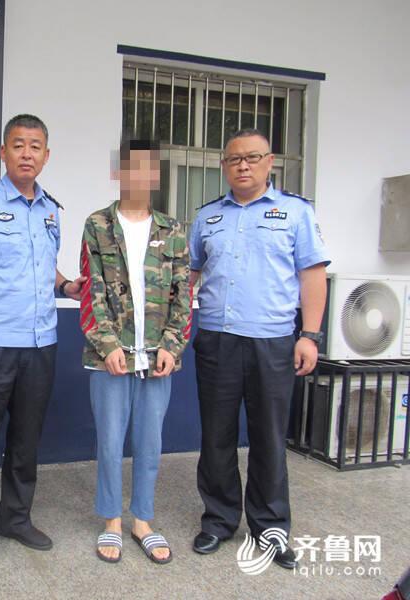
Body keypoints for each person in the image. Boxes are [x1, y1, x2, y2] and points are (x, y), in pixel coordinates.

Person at [0, 114, 85, 586]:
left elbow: (45, 265)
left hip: (41, 343)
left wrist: (65, 285)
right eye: (19, 144)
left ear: (47, 155)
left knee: (26, 441)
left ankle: (16, 518)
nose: (27, 153)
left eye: (36, 146)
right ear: (3, 152)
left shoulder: (51, 211)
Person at [189, 129, 329, 568]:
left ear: (270, 163)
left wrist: (309, 335)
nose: (243, 165)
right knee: (216, 436)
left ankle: (270, 528)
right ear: (224, 166)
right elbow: (189, 274)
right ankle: (218, 520)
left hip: (273, 341)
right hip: (217, 339)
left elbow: (312, 276)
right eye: (234, 159)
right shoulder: (207, 217)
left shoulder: (296, 213)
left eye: (252, 157)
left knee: (269, 438)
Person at [79, 139, 192, 565]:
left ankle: (142, 520)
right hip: (109, 357)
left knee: (150, 443)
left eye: (149, 169)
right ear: (118, 173)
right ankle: (111, 520)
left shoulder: (172, 230)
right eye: (132, 168)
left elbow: (184, 295)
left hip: (157, 358)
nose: (140, 177)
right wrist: (108, 344)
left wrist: (172, 347)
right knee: (110, 443)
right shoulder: (98, 224)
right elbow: (90, 291)